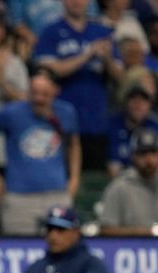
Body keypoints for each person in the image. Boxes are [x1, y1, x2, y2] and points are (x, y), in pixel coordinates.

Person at [33, 0, 122, 170]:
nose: (76, 2)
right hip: (61, 120)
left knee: (96, 180)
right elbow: (51, 70)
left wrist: (108, 59)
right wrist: (87, 55)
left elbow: (120, 77)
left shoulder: (102, 32)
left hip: (97, 121)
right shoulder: (50, 32)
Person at [0, 70, 80, 235]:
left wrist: (74, 177)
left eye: (45, 94)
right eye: (35, 94)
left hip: (57, 194)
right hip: (19, 198)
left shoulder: (66, 112)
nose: (39, 99)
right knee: (18, 251)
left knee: (61, 250)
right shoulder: (11, 113)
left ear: (56, 91)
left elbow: (74, 144)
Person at [99, 128, 158, 236]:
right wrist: (146, 233)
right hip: (131, 249)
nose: (149, 159)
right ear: (133, 156)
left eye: (153, 152)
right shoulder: (119, 187)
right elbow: (106, 230)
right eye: (143, 153)